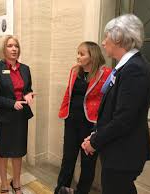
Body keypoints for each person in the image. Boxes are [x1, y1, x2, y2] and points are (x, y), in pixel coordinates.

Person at [81, 14, 150, 194]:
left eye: (107, 37)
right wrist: (95, 135)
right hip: (117, 149)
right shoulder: (126, 66)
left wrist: (95, 141)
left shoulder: (134, 69)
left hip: (124, 153)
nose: (103, 42)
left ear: (119, 38)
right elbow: (110, 110)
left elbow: (124, 119)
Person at [54, 41, 111, 194]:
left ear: (92, 56)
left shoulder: (105, 73)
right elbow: (69, 92)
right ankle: (60, 190)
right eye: (78, 53)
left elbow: (107, 101)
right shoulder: (74, 71)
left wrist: (100, 124)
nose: (78, 57)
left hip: (91, 123)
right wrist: (63, 111)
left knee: (88, 163)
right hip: (71, 120)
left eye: (81, 54)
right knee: (68, 159)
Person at [0, 35, 34, 194]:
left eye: (16, 46)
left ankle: (17, 182)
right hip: (4, 117)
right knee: (4, 152)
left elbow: (27, 89)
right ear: (3, 49)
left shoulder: (25, 69)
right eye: (10, 46)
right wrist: (11, 103)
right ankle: (4, 183)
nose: (14, 49)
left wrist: (28, 95)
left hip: (21, 117)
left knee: (18, 152)